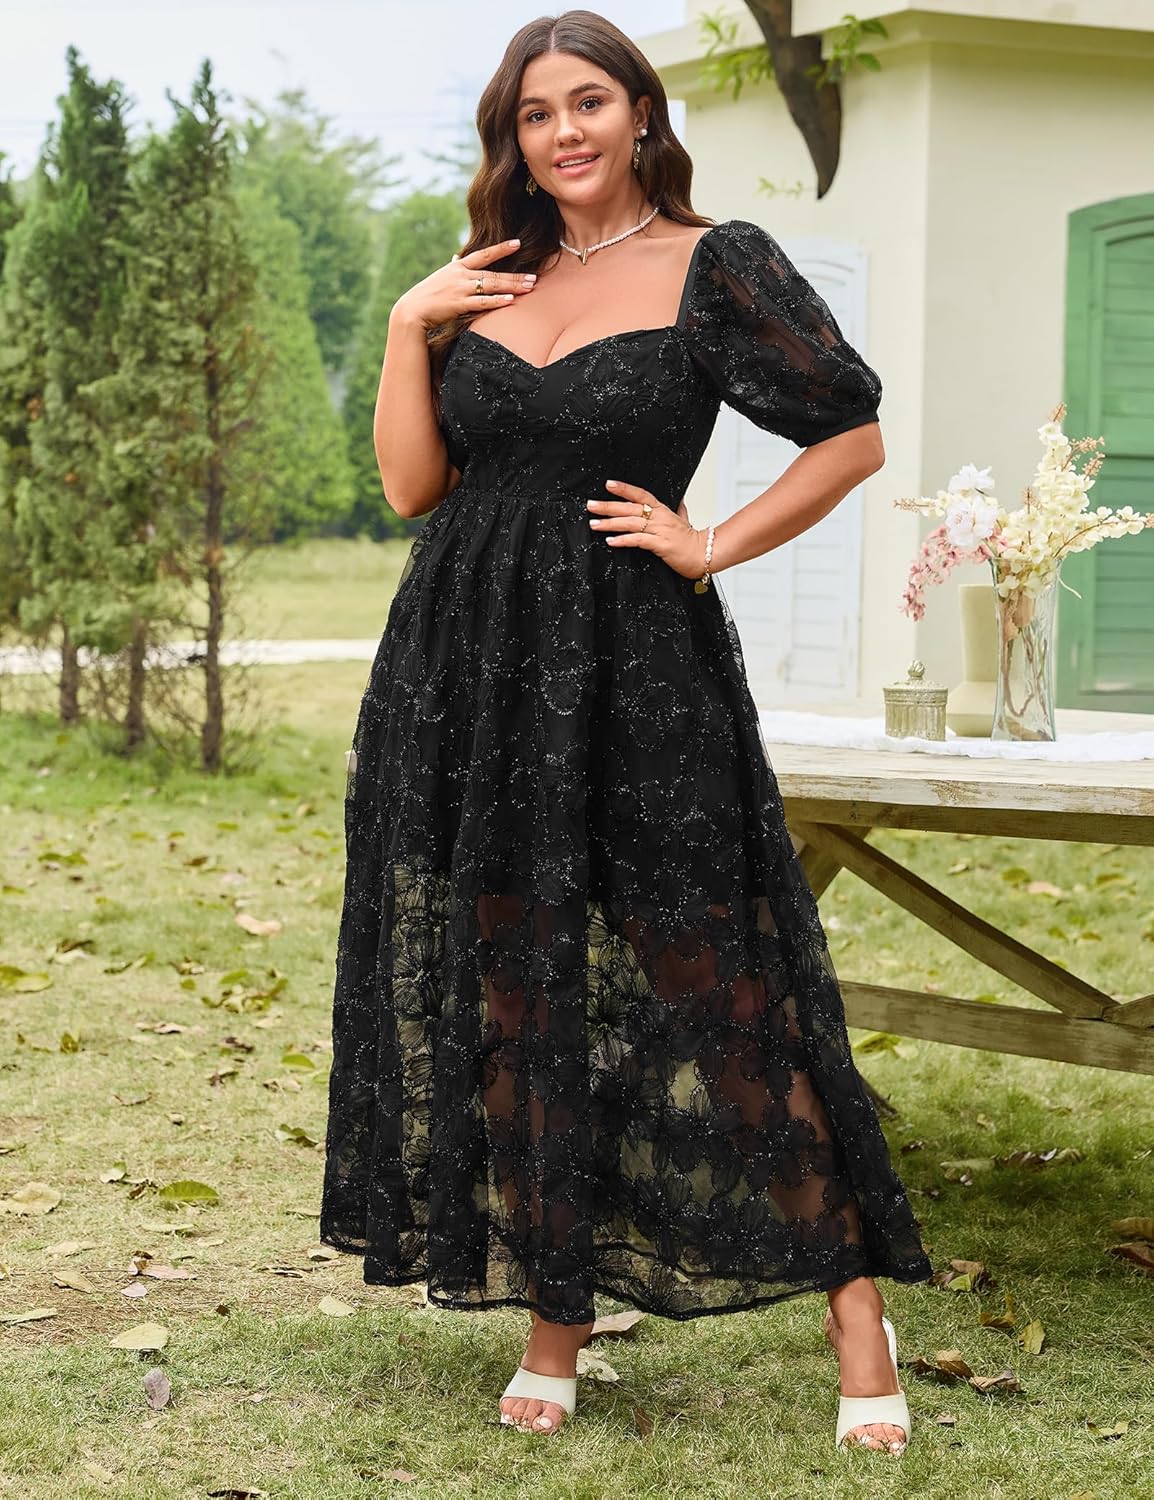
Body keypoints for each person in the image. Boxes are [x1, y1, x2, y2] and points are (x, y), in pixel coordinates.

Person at [320, 7, 934, 1455]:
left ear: (641, 112)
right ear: (514, 138)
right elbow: (412, 489)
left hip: (637, 663)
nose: (565, 133)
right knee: (514, 984)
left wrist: (711, 542)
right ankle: (558, 1316)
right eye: (535, 114)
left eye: (588, 102)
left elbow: (850, 435)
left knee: (713, 977)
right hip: (463, 664)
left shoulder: (719, 264)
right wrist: (409, 325)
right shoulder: (486, 274)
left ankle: (855, 1310)